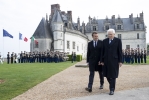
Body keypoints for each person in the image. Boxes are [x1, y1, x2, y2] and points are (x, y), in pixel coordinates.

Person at [101, 29, 122, 95]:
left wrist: (120, 61)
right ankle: (112, 84)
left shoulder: (118, 41)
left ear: (114, 34)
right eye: (109, 34)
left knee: (113, 75)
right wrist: (101, 60)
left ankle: (112, 89)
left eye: (111, 34)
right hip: (106, 60)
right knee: (106, 75)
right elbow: (102, 51)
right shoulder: (104, 41)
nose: (110, 35)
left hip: (114, 61)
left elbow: (120, 52)